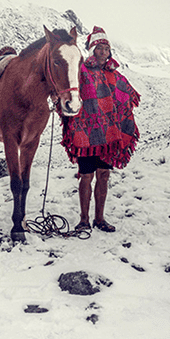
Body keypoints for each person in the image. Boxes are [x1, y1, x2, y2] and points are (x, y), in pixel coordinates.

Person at [60, 26, 141, 233]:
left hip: (109, 135)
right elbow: (70, 87)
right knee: (86, 176)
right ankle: (84, 219)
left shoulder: (115, 75)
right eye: (99, 48)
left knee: (103, 174)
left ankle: (100, 218)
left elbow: (126, 97)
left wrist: (123, 116)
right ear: (92, 50)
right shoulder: (82, 70)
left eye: (106, 48)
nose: (103, 52)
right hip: (85, 134)